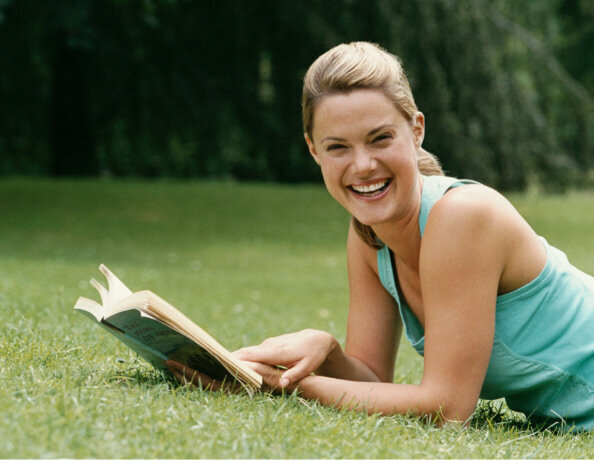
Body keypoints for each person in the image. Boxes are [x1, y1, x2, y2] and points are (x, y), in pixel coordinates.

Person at [166, 42, 594, 430]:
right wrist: (328, 351)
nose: (364, 165)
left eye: (380, 138)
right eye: (338, 147)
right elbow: (371, 381)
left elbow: (447, 408)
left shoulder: (463, 216)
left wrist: (286, 386)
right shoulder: (369, 237)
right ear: (314, 150)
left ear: (417, 129)